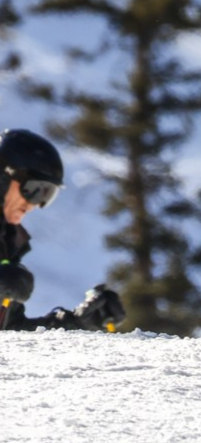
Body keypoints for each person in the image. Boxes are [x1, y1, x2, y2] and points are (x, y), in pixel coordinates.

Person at [0, 128, 126, 332]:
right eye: (34, 190)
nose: (35, 205)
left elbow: (11, 333)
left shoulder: (8, 242)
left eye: (47, 195)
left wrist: (76, 323)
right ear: (3, 177)